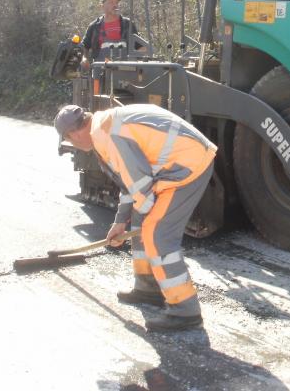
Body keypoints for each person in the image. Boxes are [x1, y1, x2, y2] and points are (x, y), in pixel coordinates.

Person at [54, 103, 217, 332]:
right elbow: (130, 183)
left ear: (74, 132)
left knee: (156, 234)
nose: (74, 146)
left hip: (187, 166)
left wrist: (148, 216)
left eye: (70, 140)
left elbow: (139, 184)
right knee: (142, 219)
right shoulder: (103, 127)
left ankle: (185, 310)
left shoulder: (107, 135)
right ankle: (148, 287)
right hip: (177, 164)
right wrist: (120, 221)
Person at [81, 0, 139, 64]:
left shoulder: (128, 24)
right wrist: (84, 59)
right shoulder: (94, 26)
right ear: (102, 6)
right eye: (111, 2)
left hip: (126, 70)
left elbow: (140, 47)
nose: (115, 5)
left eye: (116, 2)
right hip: (100, 70)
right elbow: (84, 46)